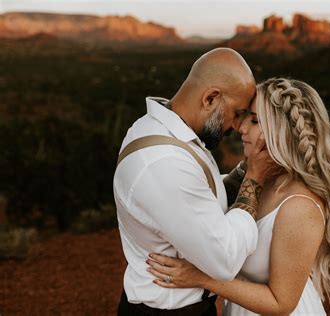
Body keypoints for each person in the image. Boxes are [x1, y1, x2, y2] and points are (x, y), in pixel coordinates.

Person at [146, 78, 330, 315]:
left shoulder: (300, 207)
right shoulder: (261, 179)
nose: (241, 128)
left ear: (281, 130)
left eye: (254, 120)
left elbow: (281, 303)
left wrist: (201, 278)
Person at [113, 48, 276, 315]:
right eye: (237, 113)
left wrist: (244, 170)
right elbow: (224, 261)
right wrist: (254, 179)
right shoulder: (165, 162)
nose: (237, 125)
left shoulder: (165, 131)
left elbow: (199, 198)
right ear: (211, 98)